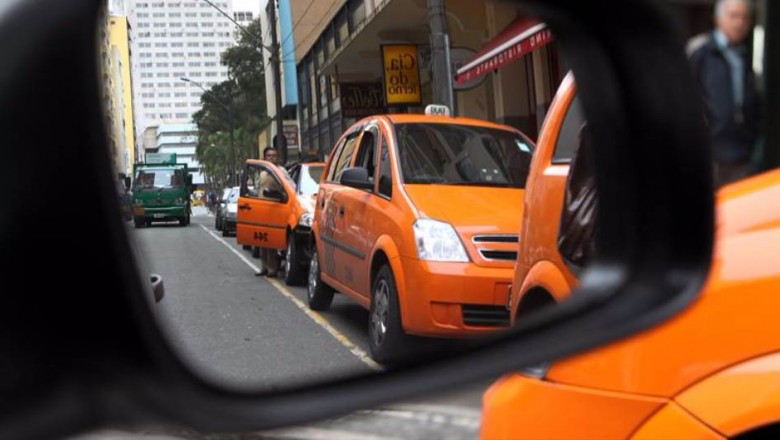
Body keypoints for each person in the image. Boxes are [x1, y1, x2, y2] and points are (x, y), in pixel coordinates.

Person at [688, 0, 761, 187]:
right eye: (734, 16)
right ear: (718, 19)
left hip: (741, 155)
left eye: (745, 17)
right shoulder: (700, 53)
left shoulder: (744, 56)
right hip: (710, 156)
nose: (739, 23)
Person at [257, 147, 283, 277]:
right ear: (264, 158)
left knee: (271, 242)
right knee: (261, 240)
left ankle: (273, 269)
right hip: (262, 210)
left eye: (274, 156)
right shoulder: (262, 174)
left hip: (275, 210)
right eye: (269, 156)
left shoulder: (281, 171)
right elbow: (259, 190)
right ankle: (264, 268)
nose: (272, 158)